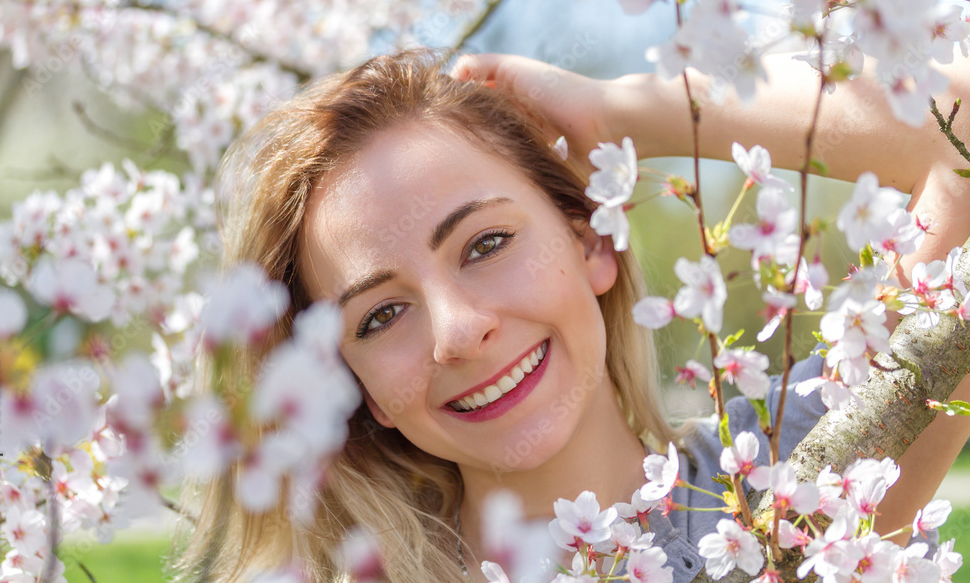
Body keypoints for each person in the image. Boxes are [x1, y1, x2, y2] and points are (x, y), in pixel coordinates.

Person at [175, 48, 970, 583]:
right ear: (361, 392)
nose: (458, 330)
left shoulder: (814, 463)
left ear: (596, 241)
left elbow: (960, 132)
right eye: (381, 317)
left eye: (485, 242)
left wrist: (631, 116)